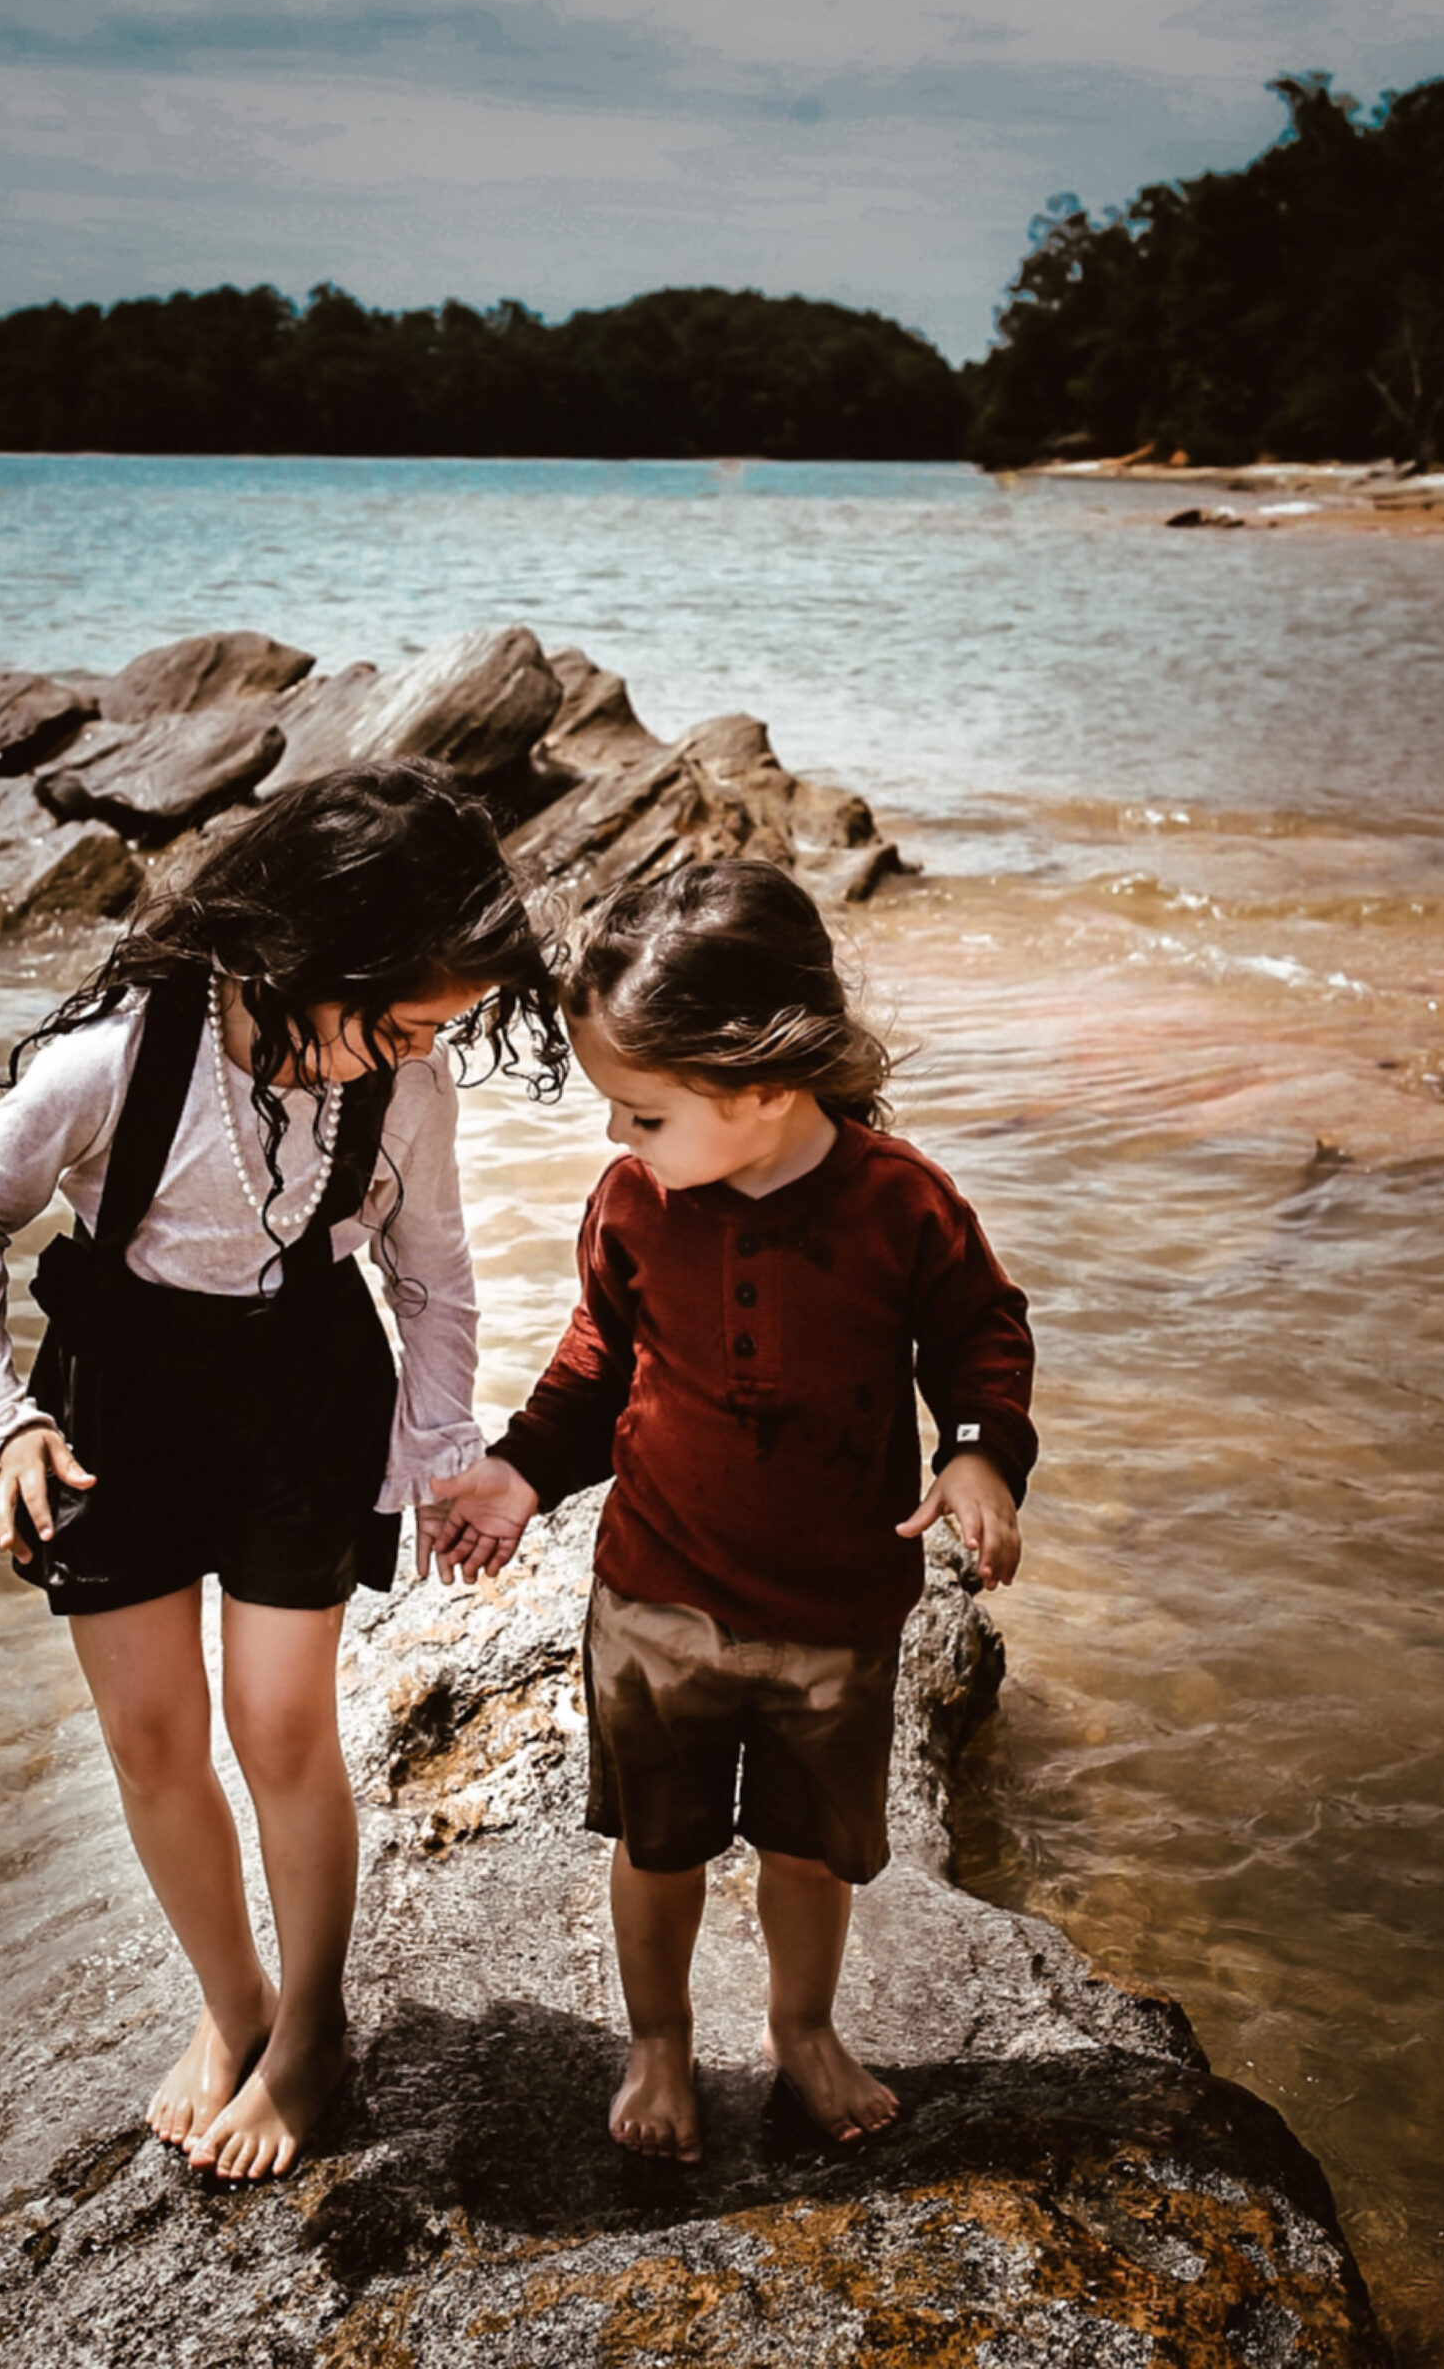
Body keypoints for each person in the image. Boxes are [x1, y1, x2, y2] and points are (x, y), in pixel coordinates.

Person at [0, 762, 564, 2182]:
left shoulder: (400, 1087)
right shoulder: (110, 1059)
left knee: (279, 1724)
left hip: (303, 1396)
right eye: (391, 1019)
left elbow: (435, 1278)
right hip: (119, 1407)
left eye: (433, 1029)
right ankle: (234, 2008)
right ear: (298, 955)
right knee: (152, 1737)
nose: (406, 1049)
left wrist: (442, 1448)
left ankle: (317, 2027)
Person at [422, 859, 1035, 2162]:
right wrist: (519, 1473)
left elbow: (980, 1332)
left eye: (639, 1112)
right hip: (654, 1599)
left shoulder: (898, 1202)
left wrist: (978, 1456)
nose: (614, 1140)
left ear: (761, 1086)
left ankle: (799, 2029)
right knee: (660, 1846)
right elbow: (592, 1363)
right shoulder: (636, 1202)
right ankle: (656, 2045)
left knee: (808, 1853)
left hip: (832, 1611)